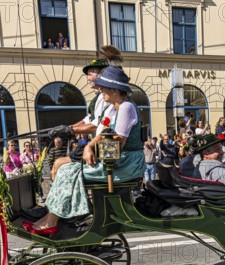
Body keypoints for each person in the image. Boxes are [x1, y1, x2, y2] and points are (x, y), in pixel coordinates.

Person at [25, 66, 145, 234]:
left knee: (67, 171)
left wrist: (89, 147)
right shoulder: (116, 107)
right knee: (66, 169)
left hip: (125, 163)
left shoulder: (125, 108)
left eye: (104, 87)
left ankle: (53, 220)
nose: (101, 90)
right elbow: (104, 132)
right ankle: (53, 216)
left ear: (115, 90)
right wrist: (88, 145)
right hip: (121, 160)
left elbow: (117, 141)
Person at [49, 46, 123, 179]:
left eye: (90, 74)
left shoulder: (110, 98)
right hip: (97, 143)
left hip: (102, 146)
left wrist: (70, 130)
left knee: (58, 164)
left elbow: (98, 126)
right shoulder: (101, 97)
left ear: (101, 75)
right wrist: (67, 128)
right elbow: (89, 119)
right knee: (57, 165)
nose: (88, 78)